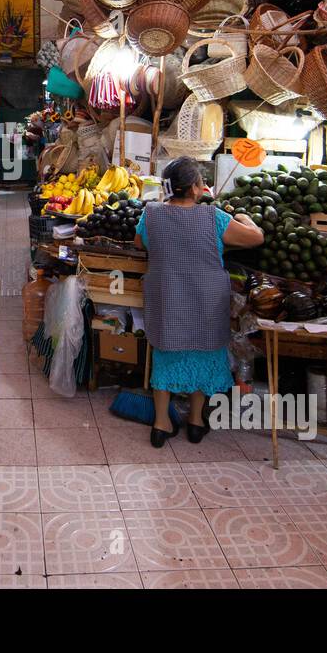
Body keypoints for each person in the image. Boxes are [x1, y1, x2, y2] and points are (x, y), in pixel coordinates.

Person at [134, 157, 264, 446]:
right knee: (204, 352)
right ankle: (195, 421)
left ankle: (161, 424)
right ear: (195, 188)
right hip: (205, 303)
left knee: (166, 354)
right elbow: (255, 238)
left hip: (168, 301)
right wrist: (245, 218)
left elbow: (140, 243)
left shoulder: (151, 213)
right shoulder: (213, 217)